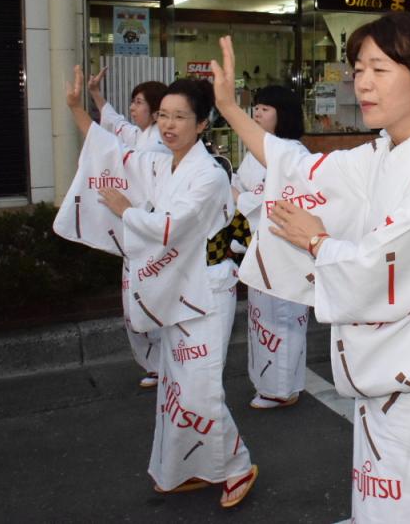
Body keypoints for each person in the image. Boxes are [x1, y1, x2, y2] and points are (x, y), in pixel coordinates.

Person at [216, 12, 410, 522]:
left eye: (380, 70)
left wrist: (318, 242)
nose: (362, 83)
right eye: (359, 69)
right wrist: (231, 109)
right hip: (385, 360)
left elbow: (385, 258)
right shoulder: (387, 151)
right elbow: (298, 167)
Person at [59, 72, 257, 507]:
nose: (168, 125)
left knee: (199, 388)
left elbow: (172, 227)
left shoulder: (208, 174)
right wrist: (77, 108)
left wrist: (128, 211)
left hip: (206, 290)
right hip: (175, 286)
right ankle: (187, 466)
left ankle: (238, 464)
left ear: (202, 124)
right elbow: (115, 154)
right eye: (163, 115)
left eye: (180, 117)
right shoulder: (161, 160)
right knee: (175, 387)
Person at [86, 69, 166, 388]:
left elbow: (117, 140)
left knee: (152, 301)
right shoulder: (142, 136)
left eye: (138, 102)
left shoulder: (159, 144)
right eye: (133, 102)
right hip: (134, 232)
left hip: (150, 233)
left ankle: (163, 364)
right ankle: (154, 364)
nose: (133, 108)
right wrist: (95, 94)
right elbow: (116, 124)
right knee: (136, 303)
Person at [233, 85, 310, 410]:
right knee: (261, 318)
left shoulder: (294, 153)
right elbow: (238, 185)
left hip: (283, 250)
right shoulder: (257, 150)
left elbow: (283, 201)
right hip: (257, 248)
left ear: (284, 114)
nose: (257, 113)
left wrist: (242, 199)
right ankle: (269, 383)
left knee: (284, 318)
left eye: (265, 108)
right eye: (257, 107)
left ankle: (282, 388)